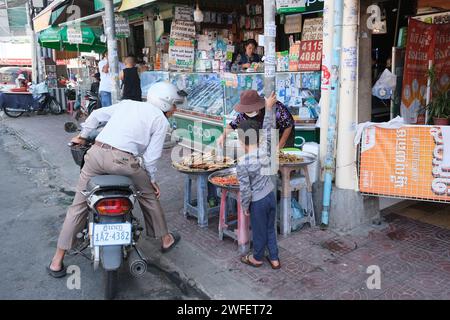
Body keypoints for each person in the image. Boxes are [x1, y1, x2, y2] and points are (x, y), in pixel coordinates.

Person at [47, 82, 185, 278]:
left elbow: (94, 116)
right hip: (125, 162)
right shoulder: (161, 122)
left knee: (79, 203)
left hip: (95, 155)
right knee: (148, 197)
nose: (175, 109)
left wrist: (83, 135)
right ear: (165, 103)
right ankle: (165, 239)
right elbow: (151, 158)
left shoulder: (127, 104)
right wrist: (151, 180)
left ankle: (57, 260)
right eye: (174, 105)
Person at [237, 91, 281, 269]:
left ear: (242, 142)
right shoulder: (265, 149)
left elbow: (245, 190)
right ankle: (275, 258)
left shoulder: (243, 163)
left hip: (258, 202)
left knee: (259, 231)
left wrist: (245, 207)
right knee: (270, 229)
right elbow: (270, 129)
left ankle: (256, 257)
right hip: (270, 195)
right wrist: (269, 108)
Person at [217, 90, 295, 149]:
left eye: (250, 110)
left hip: (281, 136)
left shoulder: (276, 107)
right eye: (247, 110)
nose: (248, 112)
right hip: (264, 140)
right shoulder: (244, 114)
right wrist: (223, 136)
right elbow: (232, 125)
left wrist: (280, 145)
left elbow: (288, 125)